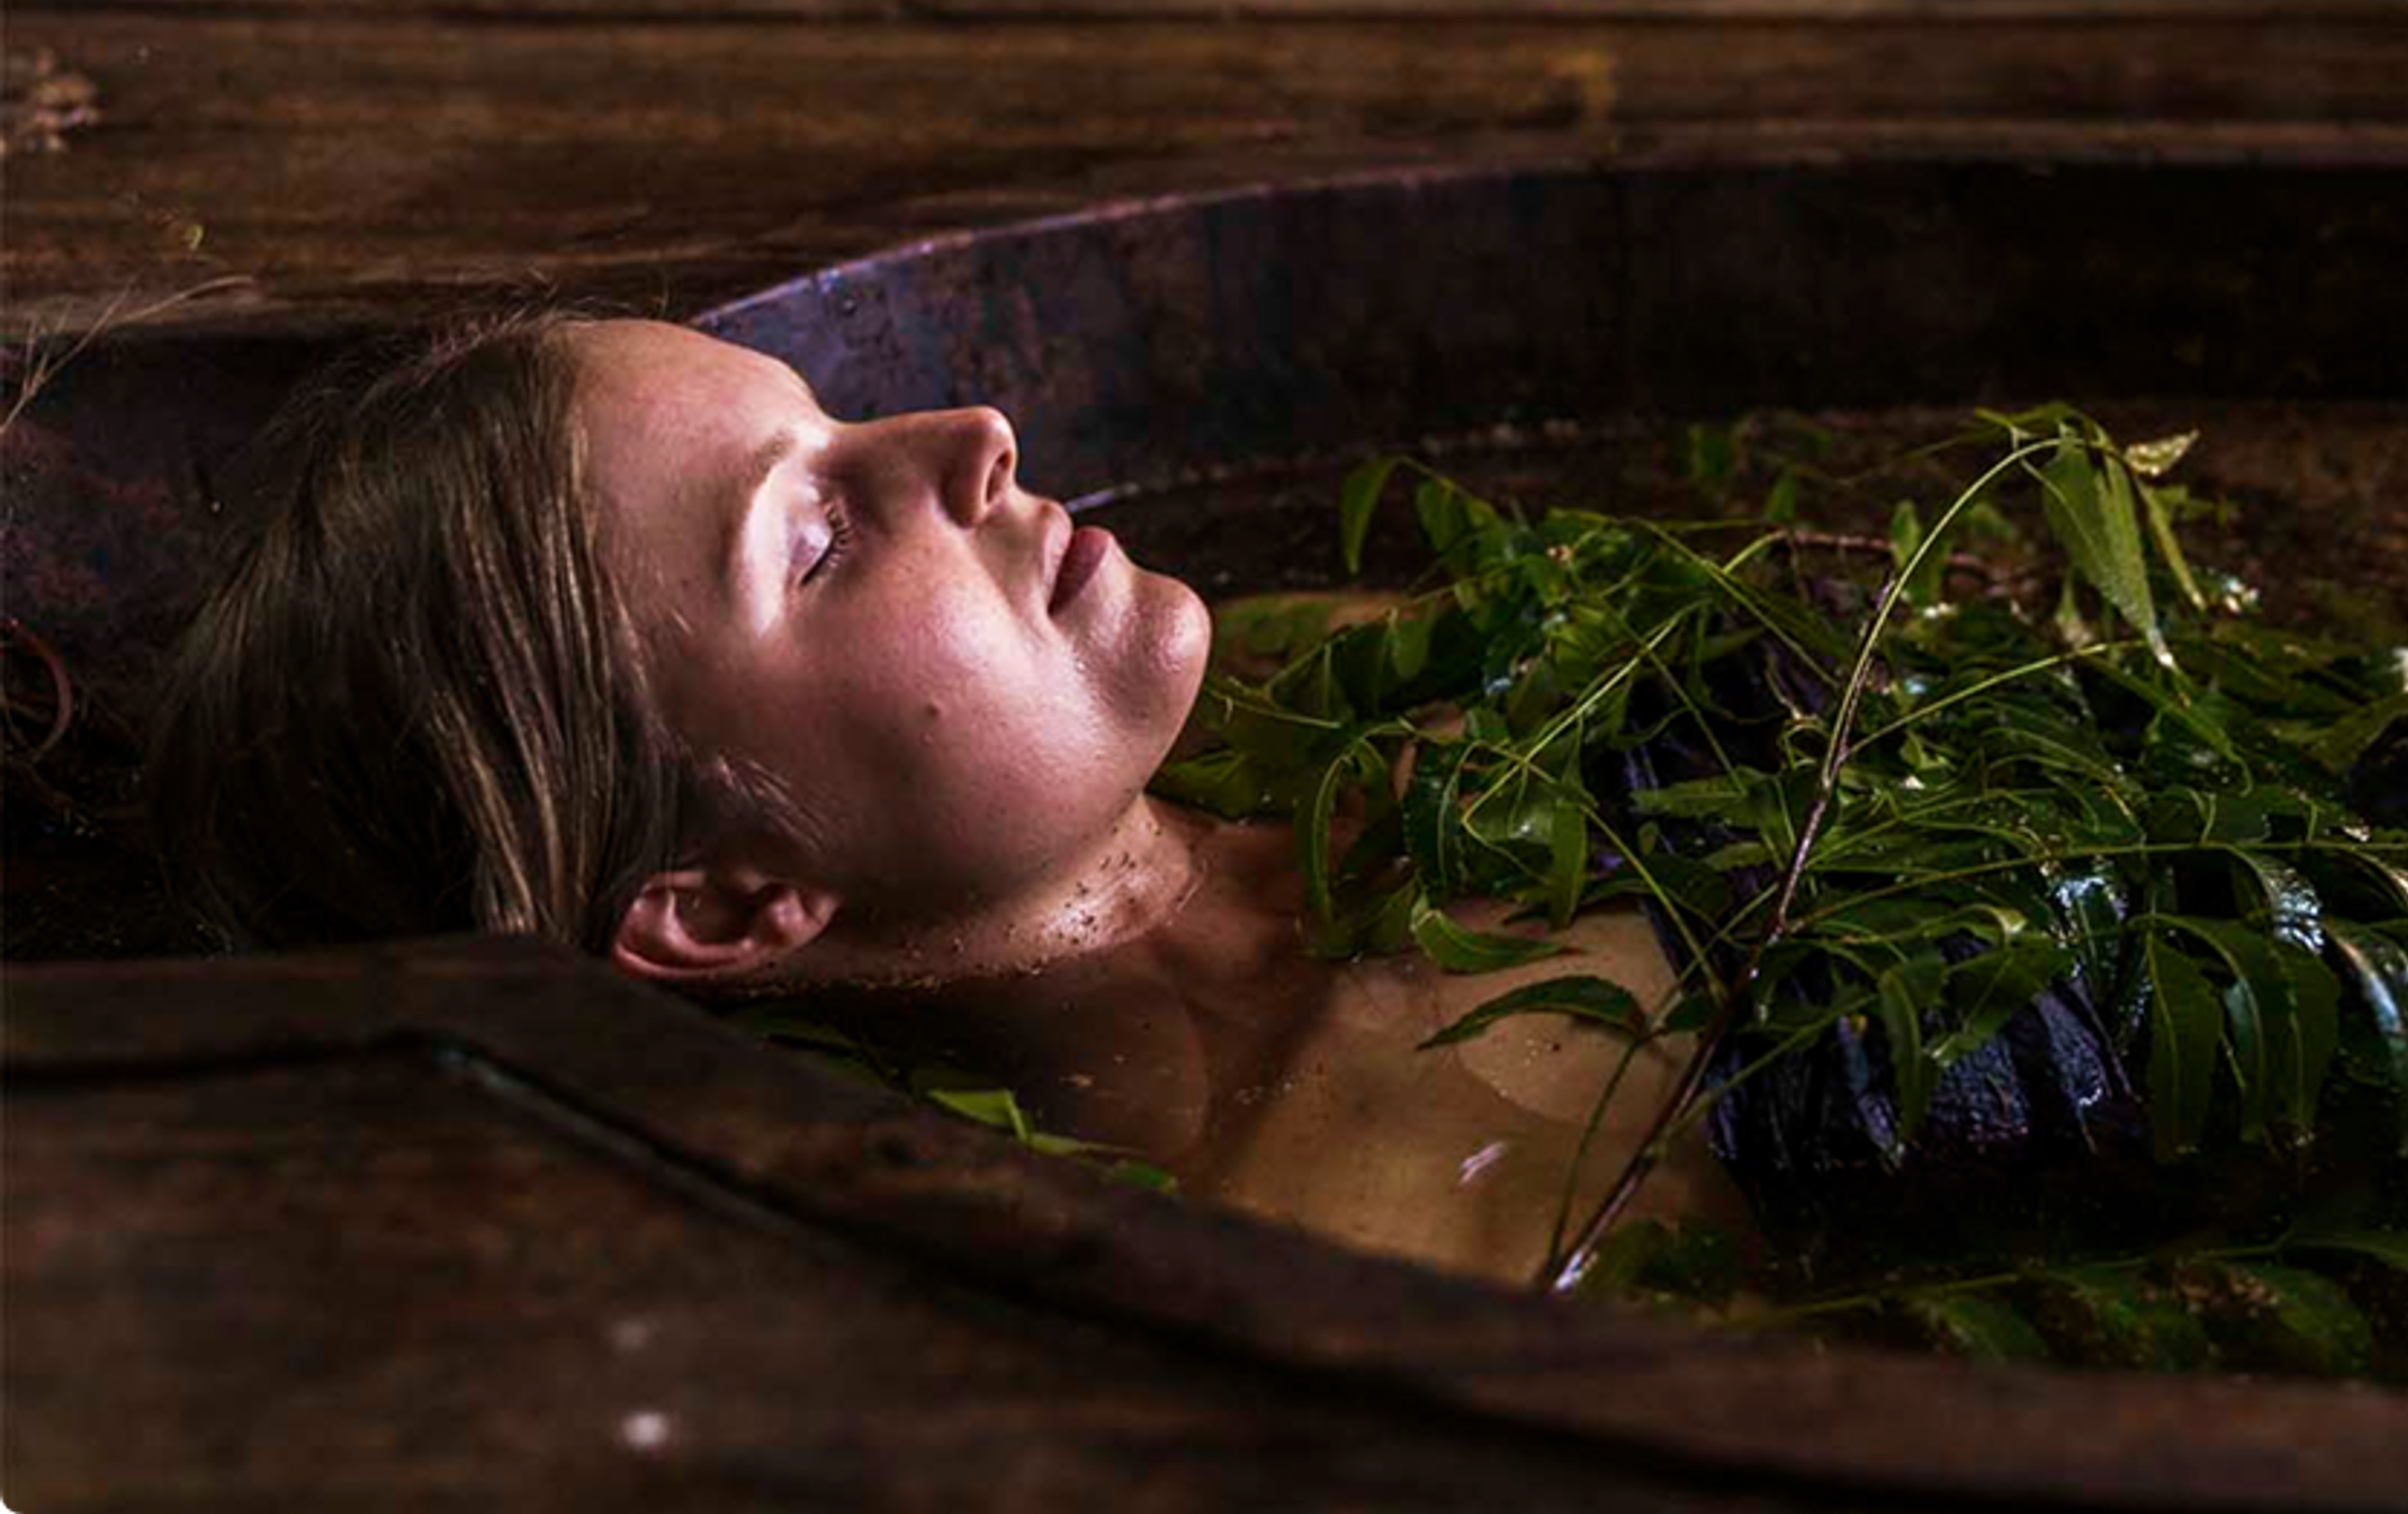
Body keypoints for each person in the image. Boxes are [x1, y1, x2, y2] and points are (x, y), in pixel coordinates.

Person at [147, 309, 1742, 1283]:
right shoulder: (1342, 1259)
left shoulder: (1417, 679)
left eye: (837, 414)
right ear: (729, 903)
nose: (975, 434)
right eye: (817, 540)